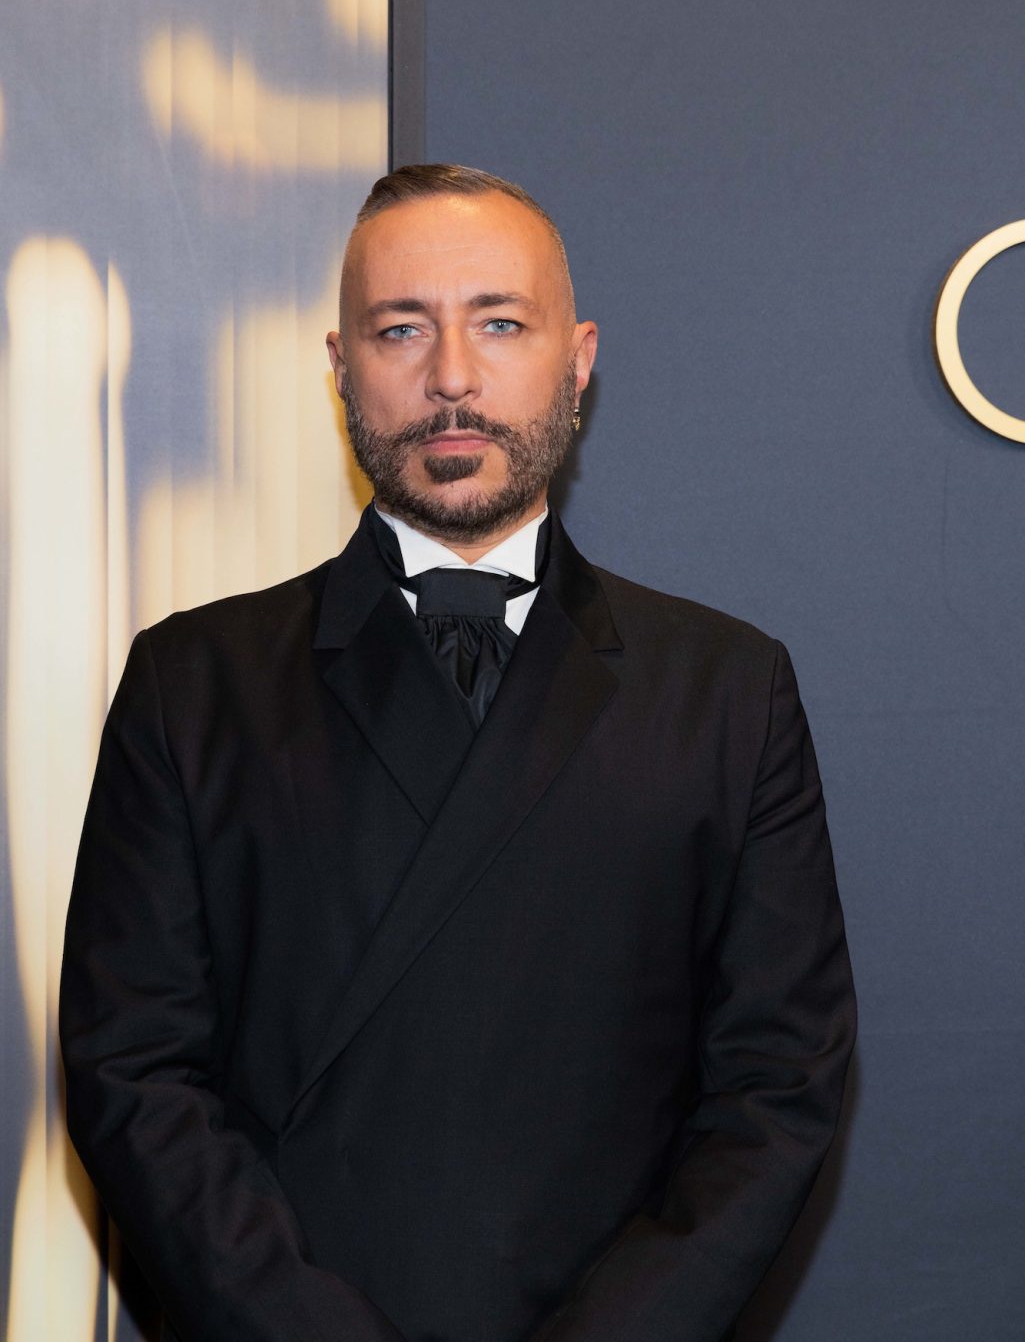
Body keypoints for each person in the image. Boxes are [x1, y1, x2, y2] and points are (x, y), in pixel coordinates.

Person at [61, 164, 857, 1342]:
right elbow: (134, 1075)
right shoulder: (194, 685)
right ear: (339, 367)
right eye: (399, 330)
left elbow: (778, 1088)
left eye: (498, 323)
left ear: (575, 358)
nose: (450, 379)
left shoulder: (726, 689)